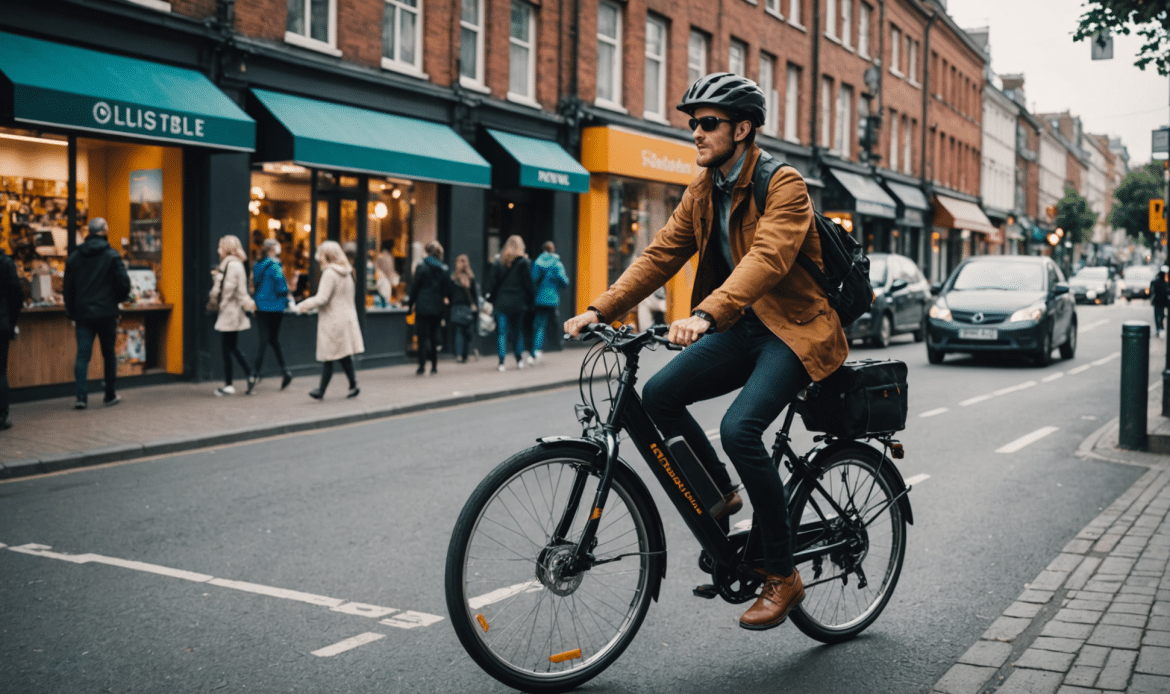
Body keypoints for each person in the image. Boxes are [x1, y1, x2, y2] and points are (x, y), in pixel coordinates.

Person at [564, 73, 848, 631]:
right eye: (692, 121)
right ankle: (720, 495)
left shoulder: (784, 185)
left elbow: (765, 259)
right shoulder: (703, 188)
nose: (696, 131)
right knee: (659, 394)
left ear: (742, 129)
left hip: (795, 329)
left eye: (708, 122)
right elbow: (660, 254)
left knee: (742, 428)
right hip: (744, 325)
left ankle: (782, 575)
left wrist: (705, 315)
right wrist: (602, 308)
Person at [63, 217, 131, 409]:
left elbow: (67, 288)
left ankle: (81, 397)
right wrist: (117, 299)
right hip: (107, 312)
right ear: (104, 230)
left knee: (82, 356)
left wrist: (71, 311)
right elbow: (124, 284)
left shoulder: (75, 257)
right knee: (109, 354)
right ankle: (109, 395)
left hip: (83, 314)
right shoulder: (112, 256)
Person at [296, 240, 364, 398]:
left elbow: (322, 298)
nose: (319, 259)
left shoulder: (330, 273)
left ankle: (321, 390)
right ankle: (353, 384)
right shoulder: (347, 272)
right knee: (343, 354)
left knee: (329, 355)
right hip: (347, 318)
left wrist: (301, 306)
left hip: (333, 319)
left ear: (326, 256)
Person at [211, 235, 256, 396]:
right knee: (230, 347)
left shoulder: (231, 265)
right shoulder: (235, 264)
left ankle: (234, 382)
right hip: (232, 311)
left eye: (220, 246)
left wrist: (219, 305)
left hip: (230, 311)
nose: (218, 249)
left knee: (228, 348)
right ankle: (248, 375)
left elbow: (229, 289)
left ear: (227, 248)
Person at [250, 238, 294, 393]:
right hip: (275, 307)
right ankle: (278, 371)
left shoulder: (257, 265)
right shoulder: (275, 266)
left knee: (266, 339)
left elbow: (255, 284)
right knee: (271, 339)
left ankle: (258, 374)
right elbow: (282, 288)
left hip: (261, 306)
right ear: (272, 250)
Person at [486, 235, 535, 371]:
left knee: (501, 333)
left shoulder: (499, 262)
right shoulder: (524, 263)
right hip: (518, 302)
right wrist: (531, 301)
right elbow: (528, 285)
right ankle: (519, 360)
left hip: (502, 301)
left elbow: (492, 284)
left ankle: (501, 363)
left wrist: (491, 299)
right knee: (517, 332)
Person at [408, 241, 451, 375]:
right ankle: (434, 366)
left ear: (426, 251)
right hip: (437, 305)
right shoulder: (443, 268)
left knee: (422, 336)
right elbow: (446, 290)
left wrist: (410, 304)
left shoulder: (421, 266)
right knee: (434, 335)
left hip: (423, 304)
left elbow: (415, 287)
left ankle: (421, 366)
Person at [530, 241, 569, 364]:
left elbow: (533, 279)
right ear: (553, 250)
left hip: (539, 298)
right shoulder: (557, 264)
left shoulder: (537, 262)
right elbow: (564, 281)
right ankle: (555, 345)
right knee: (553, 323)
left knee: (539, 324)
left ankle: (535, 350)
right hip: (552, 299)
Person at [1, 244, 23, 430]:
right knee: (0, 371)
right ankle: (2, 416)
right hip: (1, 324)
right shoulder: (6, 263)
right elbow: (17, 294)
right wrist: (11, 321)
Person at [449, 253, 480, 363]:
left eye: (459, 262)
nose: (457, 264)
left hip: (457, 307)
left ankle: (459, 355)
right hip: (466, 307)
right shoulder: (470, 278)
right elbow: (474, 295)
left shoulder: (453, 278)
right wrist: (475, 307)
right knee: (466, 332)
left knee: (459, 332)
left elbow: (450, 294)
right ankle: (464, 355)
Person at [1151, 265, 1170, 338]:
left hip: (1158, 301)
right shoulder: (1163, 282)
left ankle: (1159, 328)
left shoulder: (1157, 280)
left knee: (1158, 316)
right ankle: (1160, 328)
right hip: (1161, 301)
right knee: (1160, 315)